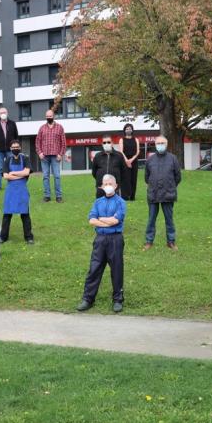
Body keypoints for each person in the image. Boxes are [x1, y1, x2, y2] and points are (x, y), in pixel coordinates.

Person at [76, 174, 126, 313]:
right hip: (100, 240)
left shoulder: (121, 202)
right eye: (105, 184)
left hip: (115, 239)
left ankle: (118, 299)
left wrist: (101, 219)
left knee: (116, 270)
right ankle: (88, 299)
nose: (108, 186)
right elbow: (91, 220)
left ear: (116, 186)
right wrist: (106, 220)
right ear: (102, 186)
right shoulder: (97, 202)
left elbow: (115, 221)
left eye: (111, 183)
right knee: (94, 268)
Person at [144, 135, 182, 251]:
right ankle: (149, 241)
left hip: (168, 194)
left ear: (166, 144)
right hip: (153, 194)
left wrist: (170, 185)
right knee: (151, 219)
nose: (160, 145)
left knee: (169, 219)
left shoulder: (173, 158)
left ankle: (171, 241)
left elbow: (178, 176)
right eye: (158, 143)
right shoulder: (150, 159)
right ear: (155, 145)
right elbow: (146, 177)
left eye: (162, 143)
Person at [0, 140, 34, 244]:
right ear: (10, 149)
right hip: (10, 191)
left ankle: (29, 237)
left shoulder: (25, 158)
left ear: (20, 148)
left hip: (22, 190)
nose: (15, 149)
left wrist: (13, 173)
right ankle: (3, 237)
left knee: (25, 214)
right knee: (7, 215)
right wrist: (20, 175)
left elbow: (27, 172)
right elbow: (5, 176)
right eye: (13, 147)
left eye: (17, 147)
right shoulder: (7, 160)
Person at [36, 109, 66, 202]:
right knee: (45, 176)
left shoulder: (60, 127)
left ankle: (58, 196)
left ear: (54, 116)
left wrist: (61, 154)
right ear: (46, 117)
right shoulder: (42, 128)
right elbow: (37, 141)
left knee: (57, 176)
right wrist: (39, 152)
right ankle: (47, 196)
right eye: (47, 116)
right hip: (44, 156)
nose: (49, 118)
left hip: (55, 156)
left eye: (50, 116)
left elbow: (63, 142)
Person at [0, 107, 19, 191]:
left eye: (4, 112)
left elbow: (16, 136)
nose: (3, 114)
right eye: (1, 113)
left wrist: (14, 146)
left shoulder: (12, 123)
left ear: (7, 113)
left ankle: (11, 184)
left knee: (11, 167)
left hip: (10, 150)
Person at [91, 134, 126, 198]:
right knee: (100, 207)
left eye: (108, 142)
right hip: (101, 187)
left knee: (115, 207)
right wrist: (101, 181)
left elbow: (123, 171)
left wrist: (117, 183)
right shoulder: (97, 156)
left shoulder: (119, 155)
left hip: (115, 188)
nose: (106, 144)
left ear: (112, 143)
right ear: (102, 144)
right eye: (104, 142)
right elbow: (94, 172)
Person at [118, 124, 140, 201]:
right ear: (124, 130)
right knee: (125, 179)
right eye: (127, 129)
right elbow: (121, 151)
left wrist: (131, 160)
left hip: (134, 161)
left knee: (133, 179)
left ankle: (132, 197)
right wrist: (127, 161)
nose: (128, 130)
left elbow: (138, 151)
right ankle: (125, 196)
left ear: (132, 130)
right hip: (124, 161)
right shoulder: (121, 140)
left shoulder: (136, 139)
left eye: (130, 129)